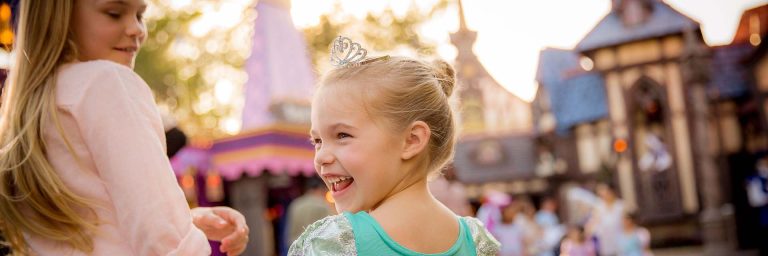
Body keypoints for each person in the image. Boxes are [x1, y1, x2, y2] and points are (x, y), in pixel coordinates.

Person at [0, 1, 248, 255]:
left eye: (140, 16)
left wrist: (187, 221)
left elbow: (92, 228)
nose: (137, 29)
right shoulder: (107, 82)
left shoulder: (34, 108)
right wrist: (179, 235)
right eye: (114, 14)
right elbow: (164, 239)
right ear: (59, 15)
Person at [288, 36, 500, 255]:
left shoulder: (334, 244)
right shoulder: (476, 242)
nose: (321, 157)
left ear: (412, 140)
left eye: (342, 135)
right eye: (317, 141)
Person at [286, 177, 333, 243]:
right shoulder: (322, 205)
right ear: (319, 189)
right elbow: (329, 228)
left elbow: (291, 230)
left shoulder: (295, 204)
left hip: (297, 244)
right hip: (315, 245)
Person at [586, 183, 625, 256]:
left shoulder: (621, 206)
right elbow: (593, 222)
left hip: (620, 238)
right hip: (604, 241)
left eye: (606, 191)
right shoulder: (598, 206)